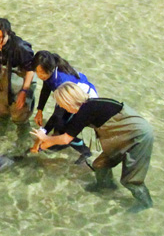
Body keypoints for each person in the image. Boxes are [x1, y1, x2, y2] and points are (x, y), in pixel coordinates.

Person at [30, 82, 154, 212]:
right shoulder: (89, 106)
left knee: (130, 179)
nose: (62, 108)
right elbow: (65, 133)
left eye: (62, 104)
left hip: (138, 136)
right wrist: (44, 143)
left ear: (68, 101)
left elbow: (66, 138)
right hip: (122, 135)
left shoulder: (85, 111)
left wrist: (46, 139)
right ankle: (105, 187)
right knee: (100, 165)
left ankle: (146, 204)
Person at [30, 51, 97, 161]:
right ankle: (58, 140)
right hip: (71, 98)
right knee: (58, 127)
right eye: (37, 72)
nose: (39, 76)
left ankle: (85, 151)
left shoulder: (61, 81)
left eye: (41, 73)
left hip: (85, 101)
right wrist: (40, 110)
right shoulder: (50, 73)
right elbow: (46, 88)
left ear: (49, 69)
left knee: (65, 131)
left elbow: (57, 114)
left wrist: (42, 133)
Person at [0, 18, 37, 124]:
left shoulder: (20, 47)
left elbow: (30, 70)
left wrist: (24, 91)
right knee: (1, 112)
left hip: (20, 79)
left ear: (9, 34)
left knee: (20, 116)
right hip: (0, 80)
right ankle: (2, 136)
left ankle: (21, 136)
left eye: (2, 37)